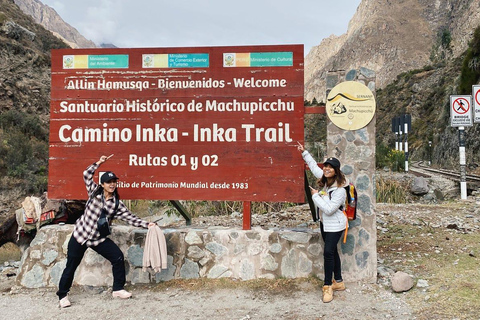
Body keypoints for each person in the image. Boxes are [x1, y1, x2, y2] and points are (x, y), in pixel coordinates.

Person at [56, 155, 156, 308]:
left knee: (117, 257)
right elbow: (86, 174)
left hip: (97, 239)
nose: (112, 184)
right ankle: (63, 295)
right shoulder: (94, 191)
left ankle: (118, 289)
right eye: (109, 182)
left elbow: (130, 218)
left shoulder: (117, 204)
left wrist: (147, 224)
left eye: (114, 182)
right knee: (71, 265)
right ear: (102, 184)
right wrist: (99, 162)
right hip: (80, 235)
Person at [297, 142, 347, 303]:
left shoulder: (340, 189)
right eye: (326, 166)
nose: (326, 169)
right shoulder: (327, 181)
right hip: (326, 224)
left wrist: (315, 195)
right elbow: (314, 168)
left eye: (330, 167)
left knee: (327, 253)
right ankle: (338, 281)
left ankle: (327, 286)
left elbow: (330, 209)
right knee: (332, 252)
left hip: (336, 225)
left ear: (336, 171)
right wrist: (304, 153)